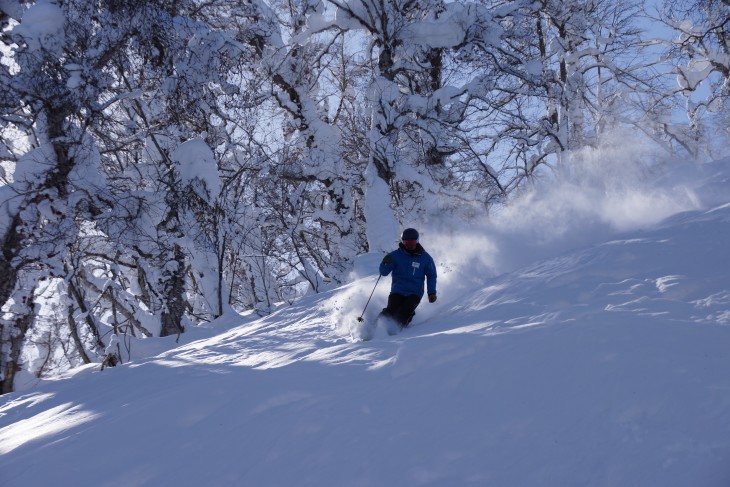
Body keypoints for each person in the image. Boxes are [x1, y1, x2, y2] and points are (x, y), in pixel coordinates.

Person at [378, 228, 437, 328]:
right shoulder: (395, 256)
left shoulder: (425, 258)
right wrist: (385, 263)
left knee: (404, 312)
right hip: (398, 290)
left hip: (415, 292)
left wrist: (431, 292)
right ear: (403, 242)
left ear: (417, 241)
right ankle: (377, 326)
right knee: (391, 310)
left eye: (412, 242)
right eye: (407, 242)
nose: (410, 245)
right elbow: (383, 272)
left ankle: (396, 329)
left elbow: (431, 275)